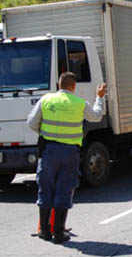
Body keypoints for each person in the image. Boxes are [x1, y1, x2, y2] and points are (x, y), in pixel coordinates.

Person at [27, 72, 107, 243]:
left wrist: (46, 134)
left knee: (45, 188)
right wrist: (99, 97)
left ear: (59, 85)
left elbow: (31, 122)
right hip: (70, 152)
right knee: (64, 188)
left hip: (48, 151)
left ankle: (45, 231)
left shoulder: (46, 100)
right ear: (74, 86)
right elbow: (97, 115)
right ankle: (58, 232)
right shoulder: (79, 103)